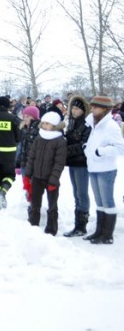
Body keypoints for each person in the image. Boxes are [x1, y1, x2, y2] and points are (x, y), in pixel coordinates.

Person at [82, 95, 124, 244]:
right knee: (99, 202)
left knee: (107, 201)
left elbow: (121, 148)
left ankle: (107, 235)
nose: (92, 108)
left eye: (95, 106)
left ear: (105, 109)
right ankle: (99, 232)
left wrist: (101, 151)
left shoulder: (111, 125)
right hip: (93, 167)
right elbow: (93, 142)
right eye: (92, 106)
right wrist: (87, 148)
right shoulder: (94, 123)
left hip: (106, 169)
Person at [23, 112, 67, 234]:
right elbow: (32, 157)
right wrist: (27, 174)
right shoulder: (39, 138)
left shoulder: (60, 141)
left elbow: (59, 163)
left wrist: (54, 179)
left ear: (54, 125)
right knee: (35, 204)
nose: (44, 125)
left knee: (52, 206)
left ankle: (51, 229)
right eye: (43, 123)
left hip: (51, 179)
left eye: (47, 123)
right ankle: (33, 226)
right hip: (37, 177)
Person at [0, 95, 21, 210]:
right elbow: (19, 137)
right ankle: (3, 192)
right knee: (10, 175)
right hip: (8, 153)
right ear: (8, 106)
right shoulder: (13, 118)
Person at [63, 95, 92, 237]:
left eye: (76, 108)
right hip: (73, 162)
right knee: (76, 194)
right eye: (72, 108)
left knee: (82, 193)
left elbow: (84, 145)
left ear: (83, 110)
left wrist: (66, 150)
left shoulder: (87, 124)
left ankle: (82, 225)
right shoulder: (72, 122)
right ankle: (78, 224)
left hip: (82, 163)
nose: (73, 111)